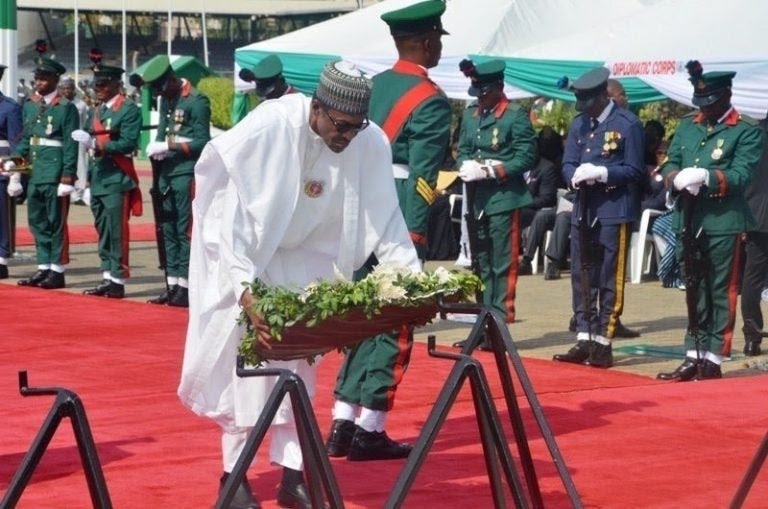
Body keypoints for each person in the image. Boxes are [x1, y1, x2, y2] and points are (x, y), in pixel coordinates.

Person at [179, 60, 420, 509]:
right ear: (318, 108)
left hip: (306, 262)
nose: (346, 137)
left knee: (298, 371)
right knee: (246, 375)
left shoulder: (366, 141)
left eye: (356, 126)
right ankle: (234, 480)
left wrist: (414, 284)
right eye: (341, 126)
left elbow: (386, 218)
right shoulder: (270, 126)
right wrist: (244, 290)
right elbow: (228, 215)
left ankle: (293, 477)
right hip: (245, 256)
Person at [326, 0, 451, 462]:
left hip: (355, 216)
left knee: (359, 316)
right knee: (394, 322)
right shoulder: (431, 100)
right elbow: (423, 174)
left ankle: (342, 419)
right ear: (424, 41)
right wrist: (415, 233)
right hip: (396, 218)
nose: (438, 46)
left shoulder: (373, 88)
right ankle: (371, 426)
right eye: (437, 39)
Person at [657, 62, 763, 381]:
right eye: (700, 102)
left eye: (711, 102)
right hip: (688, 218)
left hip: (723, 219)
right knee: (693, 285)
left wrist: (706, 176)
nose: (705, 109)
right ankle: (693, 352)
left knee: (719, 287)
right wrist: (673, 177)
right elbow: (671, 160)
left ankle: (714, 355)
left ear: (727, 95)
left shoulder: (745, 129)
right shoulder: (689, 124)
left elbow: (741, 174)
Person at [552, 67, 645, 369]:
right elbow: (566, 162)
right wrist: (574, 176)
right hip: (584, 207)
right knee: (581, 274)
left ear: (604, 95)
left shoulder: (627, 124)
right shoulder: (580, 124)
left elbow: (634, 170)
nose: (587, 110)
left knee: (607, 276)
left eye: (590, 102)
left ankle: (603, 340)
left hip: (613, 208)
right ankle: (584, 335)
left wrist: (604, 173)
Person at [453, 57, 536, 330]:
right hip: (477, 197)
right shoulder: (471, 114)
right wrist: (465, 164)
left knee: (502, 262)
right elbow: (463, 147)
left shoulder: (514, 116)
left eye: (485, 93)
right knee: (481, 261)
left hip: (504, 196)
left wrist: (492, 170)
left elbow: (527, 156)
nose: (481, 100)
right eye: (478, 94)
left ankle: (499, 320)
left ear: (499, 87)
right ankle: (483, 318)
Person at [131, 56, 211, 308]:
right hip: (166, 171)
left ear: (172, 79)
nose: (159, 93)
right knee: (167, 230)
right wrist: (158, 148)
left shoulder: (196, 101)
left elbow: (202, 140)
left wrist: (170, 146)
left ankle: (186, 286)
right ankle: (173, 283)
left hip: (185, 171)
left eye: (160, 87)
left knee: (182, 230)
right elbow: (162, 130)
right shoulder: (166, 98)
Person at [72, 65, 142, 299]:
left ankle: (118, 279)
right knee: (102, 229)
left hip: (116, 178)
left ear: (116, 84)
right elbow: (87, 134)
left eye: (102, 84)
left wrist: (96, 144)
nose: (97, 89)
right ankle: (107, 276)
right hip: (99, 177)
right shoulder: (98, 109)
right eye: (96, 85)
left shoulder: (128, 109)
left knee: (116, 231)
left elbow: (129, 143)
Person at [10, 57, 79, 289]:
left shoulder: (66, 108)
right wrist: (16, 171)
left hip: (55, 173)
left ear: (55, 80)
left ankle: (57, 270)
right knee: (37, 221)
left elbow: (70, 144)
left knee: (55, 222)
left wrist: (68, 177)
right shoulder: (30, 104)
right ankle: (43, 267)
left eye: (43, 78)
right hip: (36, 173)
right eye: (36, 78)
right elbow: (25, 141)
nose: (38, 83)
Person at [740, 111, 768, 357]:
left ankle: (752, 337)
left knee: (753, 279)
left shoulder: (752, 135)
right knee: (753, 278)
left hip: (757, 216)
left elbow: (743, 177)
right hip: (758, 216)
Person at [518, 126, 564, 275]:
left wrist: (521, 202)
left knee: (535, 216)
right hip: (519, 206)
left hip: (537, 209)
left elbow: (547, 198)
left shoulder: (546, 168)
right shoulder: (518, 166)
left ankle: (526, 260)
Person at [0, 64, 23, 279]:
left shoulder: (10, 107)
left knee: (1, 215)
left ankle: (1, 258)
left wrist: (16, 174)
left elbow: (17, 142)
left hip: (1, 165)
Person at [233, 54, 297, 124]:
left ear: (279, 82)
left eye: (270, 92)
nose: (267, 96)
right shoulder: (265, 103)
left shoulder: (295, 103)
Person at [59, 76, 89, 204]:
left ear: (73, 89)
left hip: (78, 140)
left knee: (80, 165)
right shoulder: (58, 104)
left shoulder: (81, 104)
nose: (67, 91)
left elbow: (85, 123)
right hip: (62, 139)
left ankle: (78, 193)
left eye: (69, 88)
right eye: (64, 88)